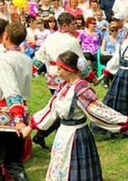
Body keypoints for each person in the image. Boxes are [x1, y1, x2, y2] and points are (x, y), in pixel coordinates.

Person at [20, 51, 128, 181]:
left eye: (60, 69)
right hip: (63, 135)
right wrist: (30, 126)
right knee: (60, 167)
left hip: (77, 137)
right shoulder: (63, 86)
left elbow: (100, 111)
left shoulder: (81, 90)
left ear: (69, 69)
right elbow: (50, 109)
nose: (57, 72)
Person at [32, 12, 97, 148]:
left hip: (51, 77)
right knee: (64, 110)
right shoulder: (71, 41)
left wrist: (29, 73)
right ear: (65, 25)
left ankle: (46, 135)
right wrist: (92, 78)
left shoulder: (50, 37)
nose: (76, 26)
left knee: (59, 106)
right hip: (66, 77)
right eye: (73, 24)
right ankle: (43, 135)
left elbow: (38, 58)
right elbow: (81, 64)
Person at [0, 22, 31, 181]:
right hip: (21, 113)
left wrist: (17, 119)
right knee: (14, 162)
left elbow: (11, 90)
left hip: (3, 115)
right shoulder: (26, 59)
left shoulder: (3, 60)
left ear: (6, 36)